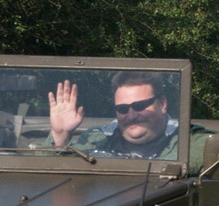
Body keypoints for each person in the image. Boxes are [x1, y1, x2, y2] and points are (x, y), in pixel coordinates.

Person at [48, 69, 208, 166]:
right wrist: (60, 135)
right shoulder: (96, 140)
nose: (131, 116)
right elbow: (55, 174)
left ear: (162, 103)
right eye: (122, 109)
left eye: (140, 106)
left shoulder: (191, 143)